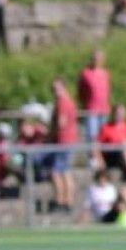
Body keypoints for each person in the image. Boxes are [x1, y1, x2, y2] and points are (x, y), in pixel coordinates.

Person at [46, 78, 79, 213]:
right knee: (65, 171)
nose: (55, 91)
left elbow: (61, 123)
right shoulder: (69, 101)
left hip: (62, 142)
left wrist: (49, 135)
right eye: (53, 89)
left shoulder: (62, 103)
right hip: (68, 141)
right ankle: (68, 202)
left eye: (57, 88)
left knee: (55, 172)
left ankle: (59, 202)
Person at [78, 49, 112, 143]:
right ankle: (92, 156)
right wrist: (84, 103)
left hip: (104, 109)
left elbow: (107, 91)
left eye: (99, 58)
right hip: (91, 109)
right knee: (92, 135)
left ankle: (102, 156)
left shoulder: (105, 73)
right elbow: (81, 91)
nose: (97, 60)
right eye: (95, 58)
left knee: (103, 136)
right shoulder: (85, 73)